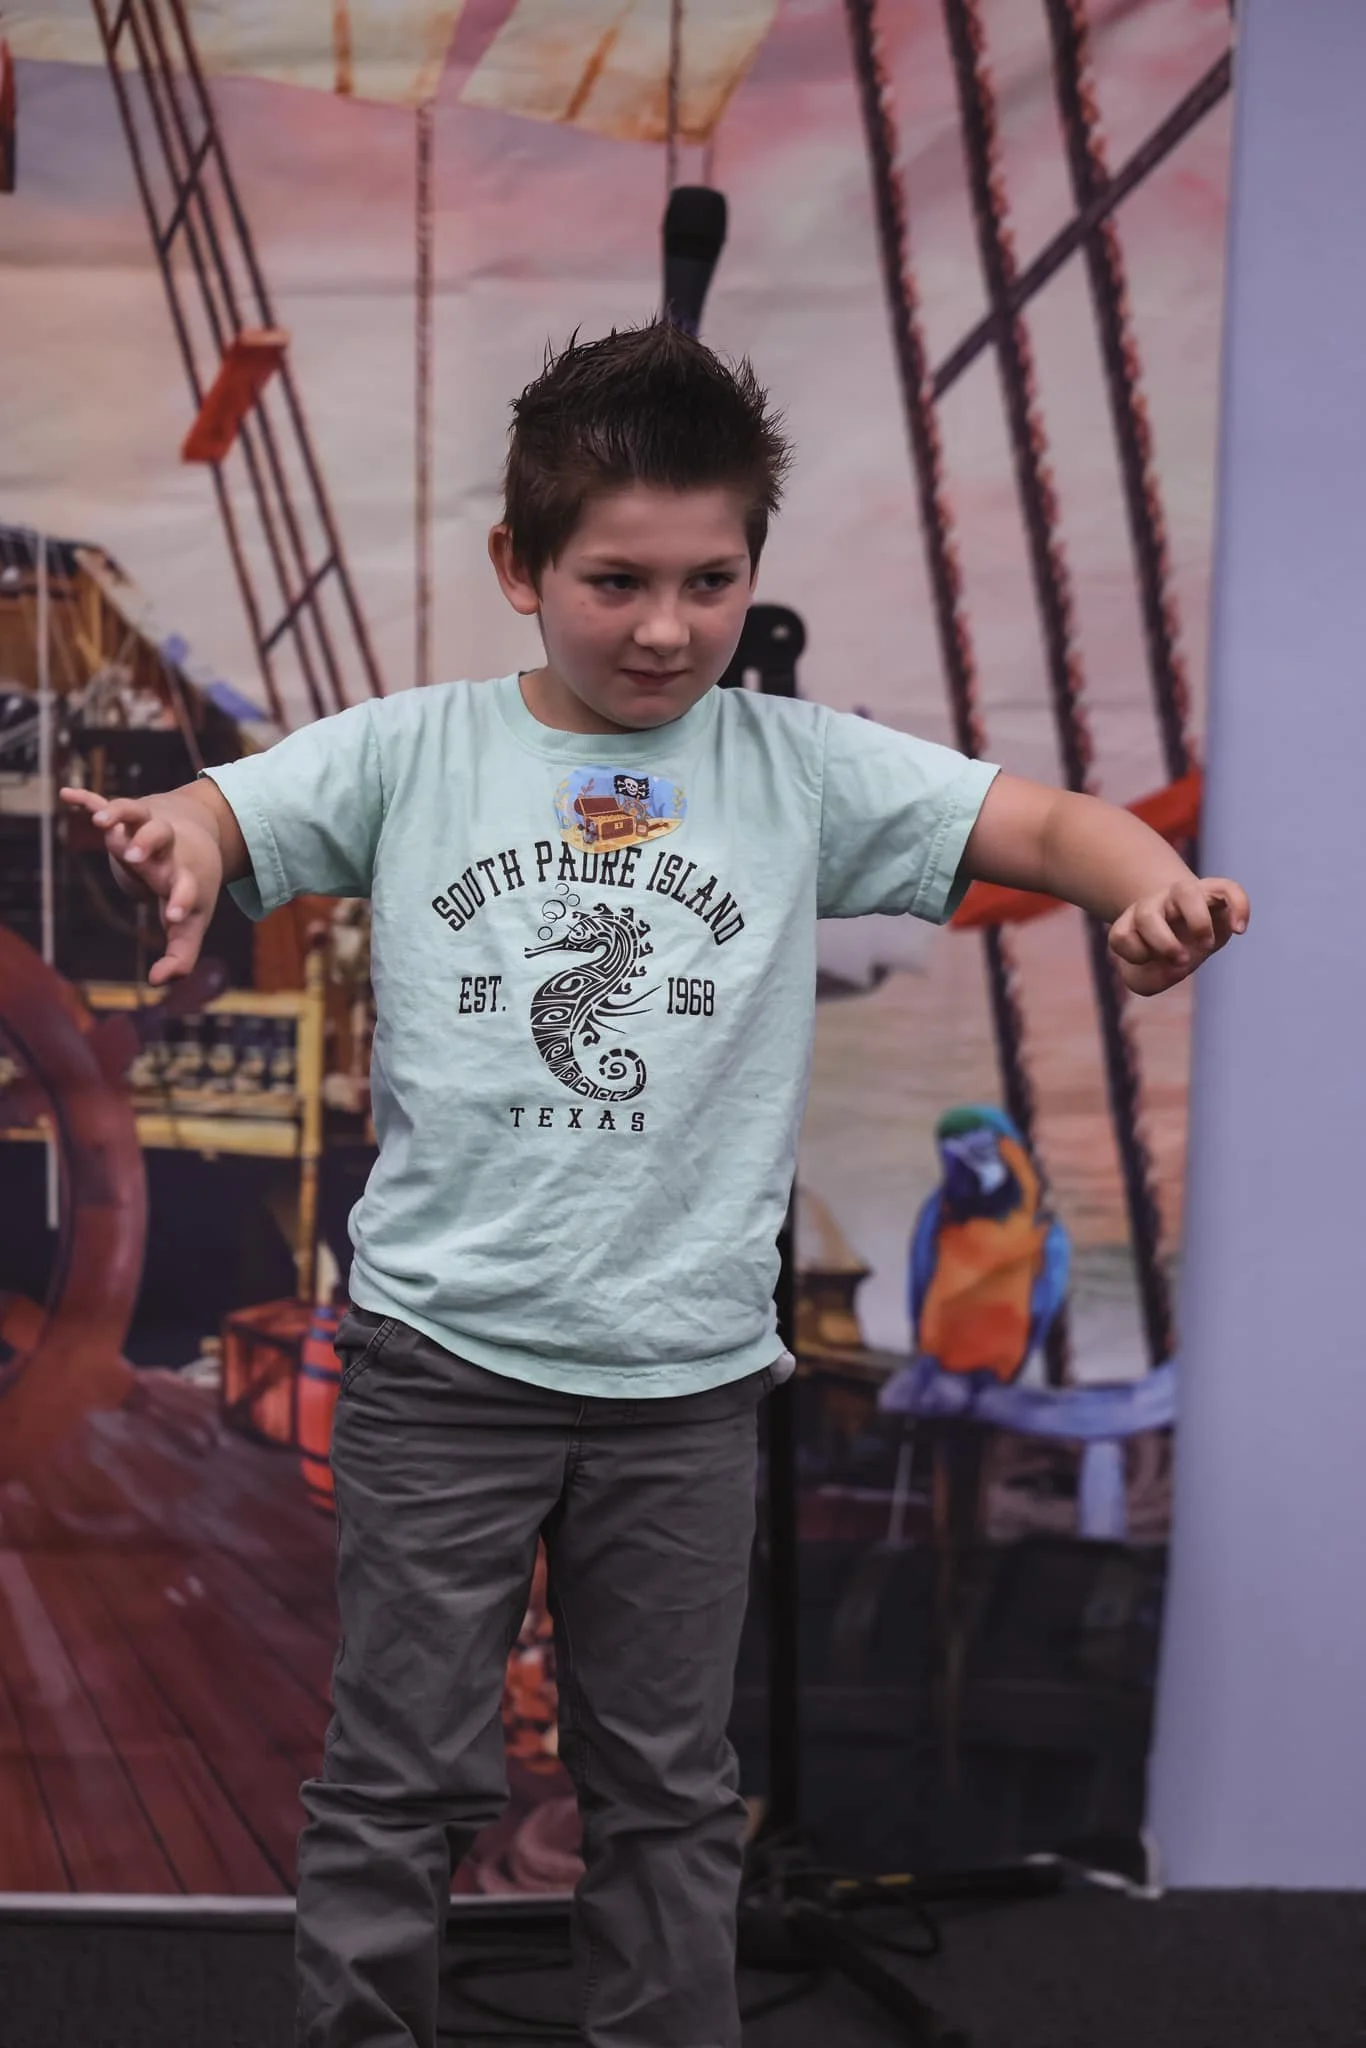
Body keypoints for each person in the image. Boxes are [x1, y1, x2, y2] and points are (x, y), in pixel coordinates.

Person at [62, 320, 1249, 2048]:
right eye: (615, 581)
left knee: (668, 1793)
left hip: (682, 1388)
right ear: (520, 567)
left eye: (709, 581)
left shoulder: (795, 765)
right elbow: (227, 813)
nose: (667, 628)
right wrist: (176, 838)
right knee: (396, 1779)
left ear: (750, 568)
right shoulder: (415, 751)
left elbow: (1058, 827)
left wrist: (1146, 887)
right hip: (440, 1367)